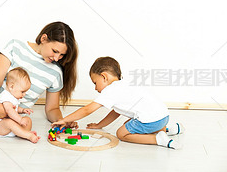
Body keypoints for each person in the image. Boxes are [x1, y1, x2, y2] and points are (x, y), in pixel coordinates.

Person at [52, 57, 184, 149]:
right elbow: (115, 112)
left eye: (95, 83)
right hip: (163, 117)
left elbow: (87, 110)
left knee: (122, 133)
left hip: (151, 121)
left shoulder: (110, 90)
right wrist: (99, 125)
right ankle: (169, 130)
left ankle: (158, 140)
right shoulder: (123, 85)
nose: (95, 88)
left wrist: (64, 120)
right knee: (130, 123)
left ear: (104, 77)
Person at [0, 67, 40, 143]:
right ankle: (28, 135)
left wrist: (22, 110)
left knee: (28, 120)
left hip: (11, 127)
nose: (24, 94)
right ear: (11, 86)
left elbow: (15, 108)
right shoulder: (5, 96)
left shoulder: (13, 96)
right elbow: (9, 110)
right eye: (22, 91)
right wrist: (20, 120)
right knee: (9, 122)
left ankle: (22, 133)